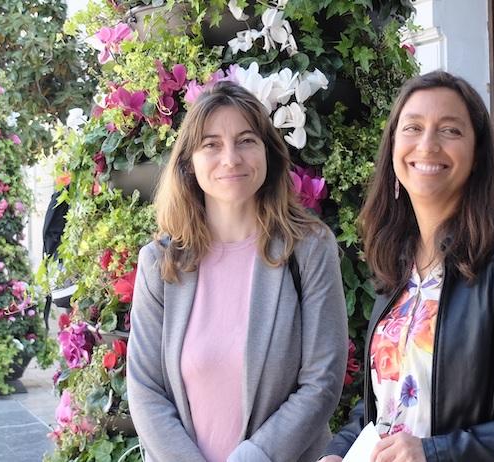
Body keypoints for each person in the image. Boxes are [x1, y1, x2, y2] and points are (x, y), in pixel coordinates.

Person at [321, 71, 494, 462]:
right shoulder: (397, 264)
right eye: (413, 127)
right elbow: (390, 400)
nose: (427, 144)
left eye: (450, 130)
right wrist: (339, 450)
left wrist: (438, 453)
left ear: (477, 155)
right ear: (392, 149)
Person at [127, 82, 348, 462]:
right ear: (189, 162)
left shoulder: (309, 249)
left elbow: (322, 381)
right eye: (211, 144)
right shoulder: (160, 262)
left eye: (246, 140)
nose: (231, 158)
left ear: (268, 153)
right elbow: (146, 388)